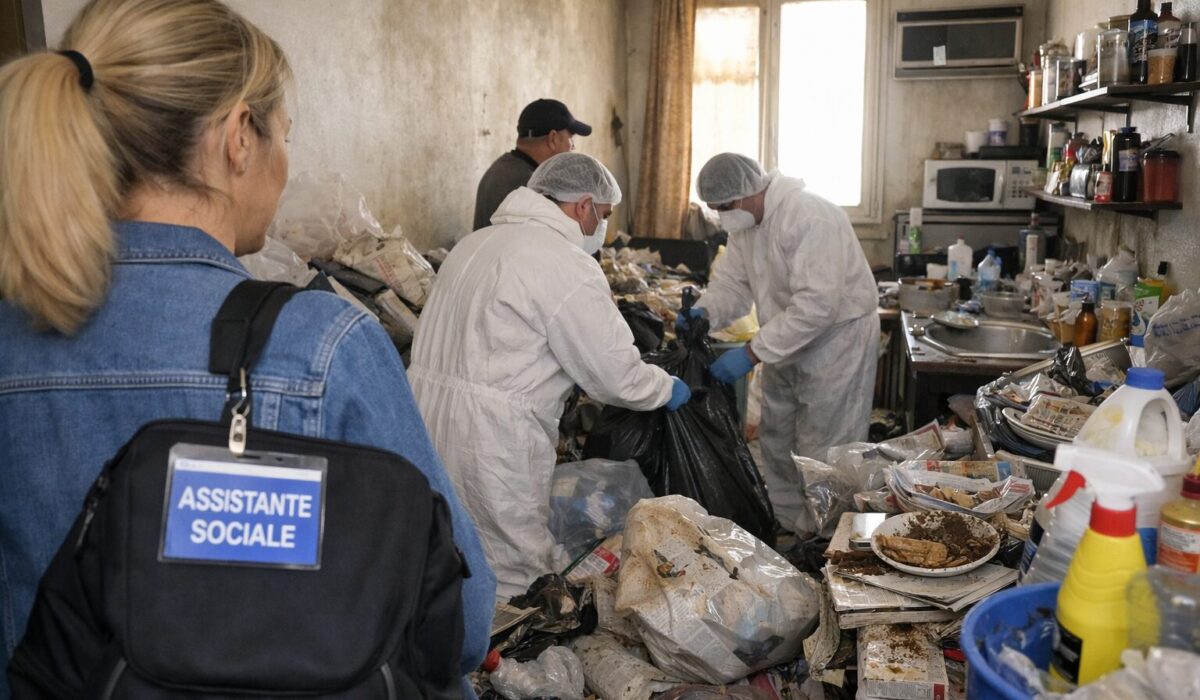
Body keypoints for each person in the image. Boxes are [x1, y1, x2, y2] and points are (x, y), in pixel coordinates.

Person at [0, 0, 495, 695]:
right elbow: (462, 624)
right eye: (282, 134)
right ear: (239, 137)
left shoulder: (11, 340)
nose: (284, 160)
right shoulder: (319, 348)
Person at [410, 152, 691, 600]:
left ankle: (445, 639)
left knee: (444, 542)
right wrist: (663, 387)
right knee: (513, 566)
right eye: (603, 214)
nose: (602, 227)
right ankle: (507, 661)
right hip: (492, 436)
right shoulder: (565, 264)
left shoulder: (475, 243)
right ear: (583, 206)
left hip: (424, 418)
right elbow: (614, 375)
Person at [680, 153, 879, 533]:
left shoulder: (809, 216)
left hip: (837, 340)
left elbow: (818, 305)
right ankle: (787, 523)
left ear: (750, 191)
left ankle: (826, 537)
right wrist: (704, 314)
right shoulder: (747, 228)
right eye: (715, 209)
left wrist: (752, 353)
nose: (722, 217)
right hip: (786, 337)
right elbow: (731, 287)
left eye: (725, 207)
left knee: (825, 446)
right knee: (777, 436)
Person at [471, 98, 592, 232]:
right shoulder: (530, 186)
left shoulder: (502, 167)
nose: (572, 148)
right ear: (553, 139)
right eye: (571, 140)